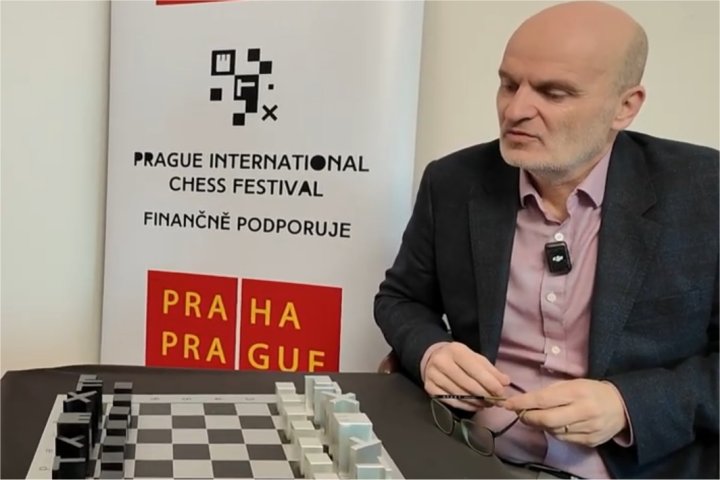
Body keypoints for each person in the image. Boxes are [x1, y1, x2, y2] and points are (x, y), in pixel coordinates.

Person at [373, 1, 718, 478]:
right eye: (508, 84)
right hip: (472, 458)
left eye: (554, 93)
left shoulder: (705, 191)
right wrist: (433, 351)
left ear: (626, 106)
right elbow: (402, 299)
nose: (515, 111)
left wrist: (627, 406)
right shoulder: (453, 181)